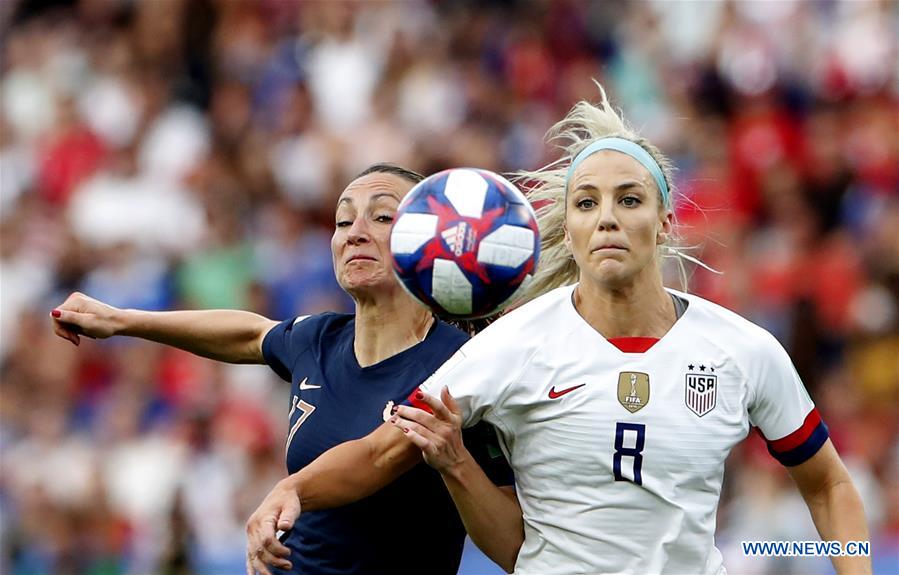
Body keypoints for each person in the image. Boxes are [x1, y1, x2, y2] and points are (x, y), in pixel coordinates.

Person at [242, 88, 871, 575]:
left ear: (667, 220)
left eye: (629, 200)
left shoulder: (744, 350)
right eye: (586, 203)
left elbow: (830, 484)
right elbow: (383, 450)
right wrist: (293, 489)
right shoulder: (509, 348)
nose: (607, 220)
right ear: (566, 227)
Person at [50, 163, 513, 575]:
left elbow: (378, 456)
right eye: (342, 220)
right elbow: (250, 334)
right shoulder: (319, 339)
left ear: (429, 242)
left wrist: (291, 489)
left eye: (383, 216)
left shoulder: (461, 362)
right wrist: (121, 319)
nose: (354, 232)